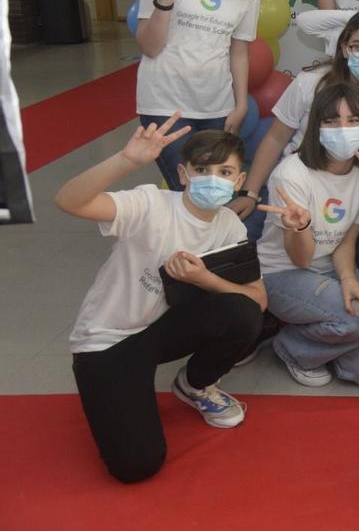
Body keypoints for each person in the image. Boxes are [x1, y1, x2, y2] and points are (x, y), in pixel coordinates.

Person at [58, 119, 265, 483]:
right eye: (202, 169)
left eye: (224, 171)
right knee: (137, 465)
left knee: (243, 313)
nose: (212, 178)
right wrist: (125, 160)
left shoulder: (230, 225)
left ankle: (195, 383)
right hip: (108, 341)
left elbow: (257, 300)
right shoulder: (150, 204)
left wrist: (205, 279)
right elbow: (68, 201)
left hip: (160, 332)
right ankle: (119, 390)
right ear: (183, 174)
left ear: (237, 181)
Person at [228, 9, 359, 246]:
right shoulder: (311, 82)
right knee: (242, 246)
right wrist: (249, 193)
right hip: (295, 186)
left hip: (350, 203)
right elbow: (275, 139)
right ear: (344, 47)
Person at [134, 0, 261, 190]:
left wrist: (240, 102)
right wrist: (165, 2)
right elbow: (149, 47)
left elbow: (239, 49)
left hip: (216, 105)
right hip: (164, 103)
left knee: (213, 194)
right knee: (187, 192)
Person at [255, 82, 359, 387]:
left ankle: (328, 337)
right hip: (282, 273)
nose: (343, 129)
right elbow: (300, 259)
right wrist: (300, 227)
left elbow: (346, 241)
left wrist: (350, 280)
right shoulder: (291, 175)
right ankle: (290, 347)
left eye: (353, 120)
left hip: (330, 267)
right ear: (316, 126)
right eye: (331, 120)